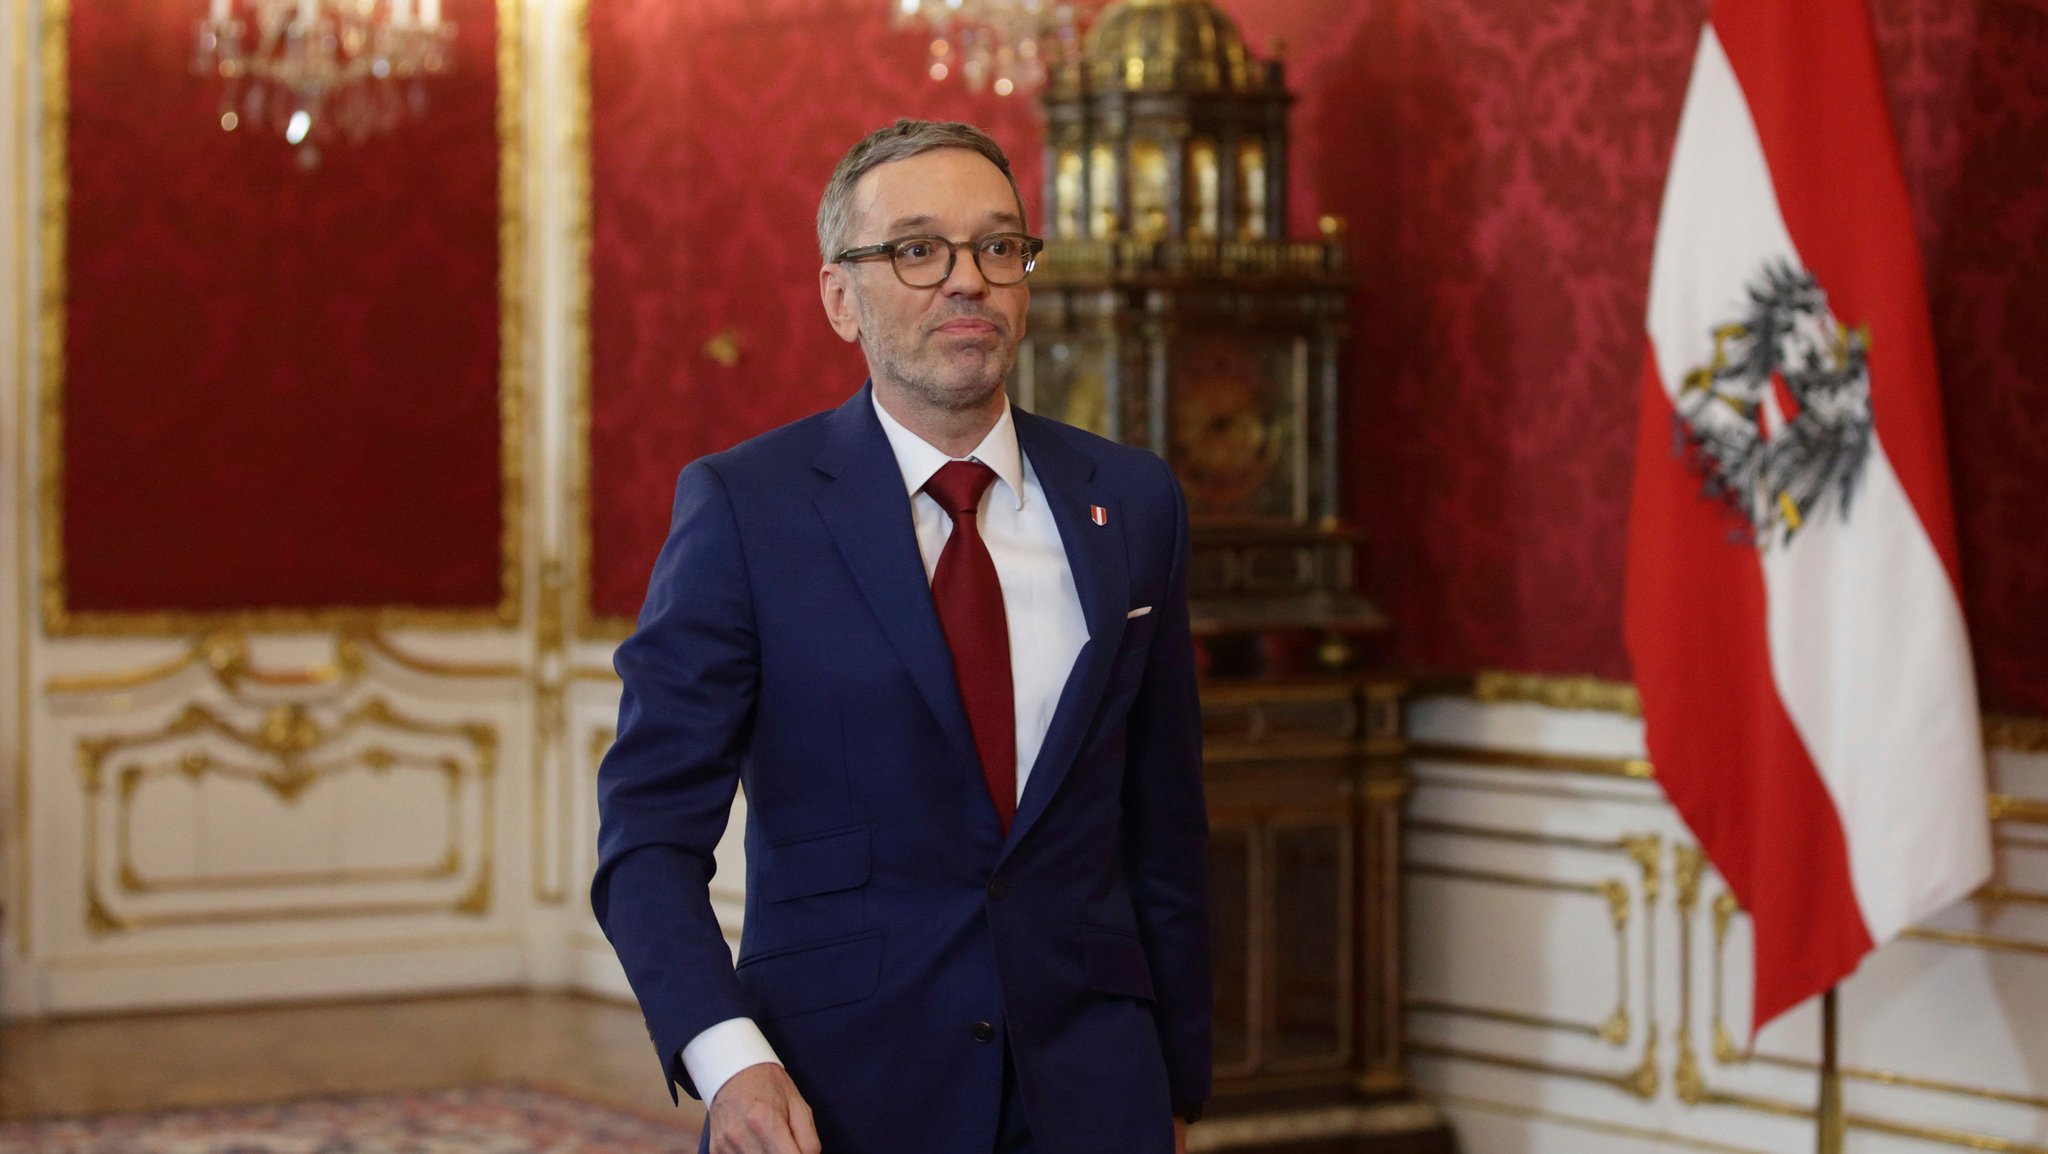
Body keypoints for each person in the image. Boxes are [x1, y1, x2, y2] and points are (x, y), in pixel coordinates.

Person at [592, 118, 1211, 1154]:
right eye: (916, 250)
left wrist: (1177, 1086)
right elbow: (647, 837)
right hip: (828, 1098)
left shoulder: (1133, 501)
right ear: (841, 297)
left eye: (997, 247)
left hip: (1095, 1092)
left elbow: (1165, 826)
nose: (964, 280)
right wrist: (726, 1056)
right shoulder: (746, 509)